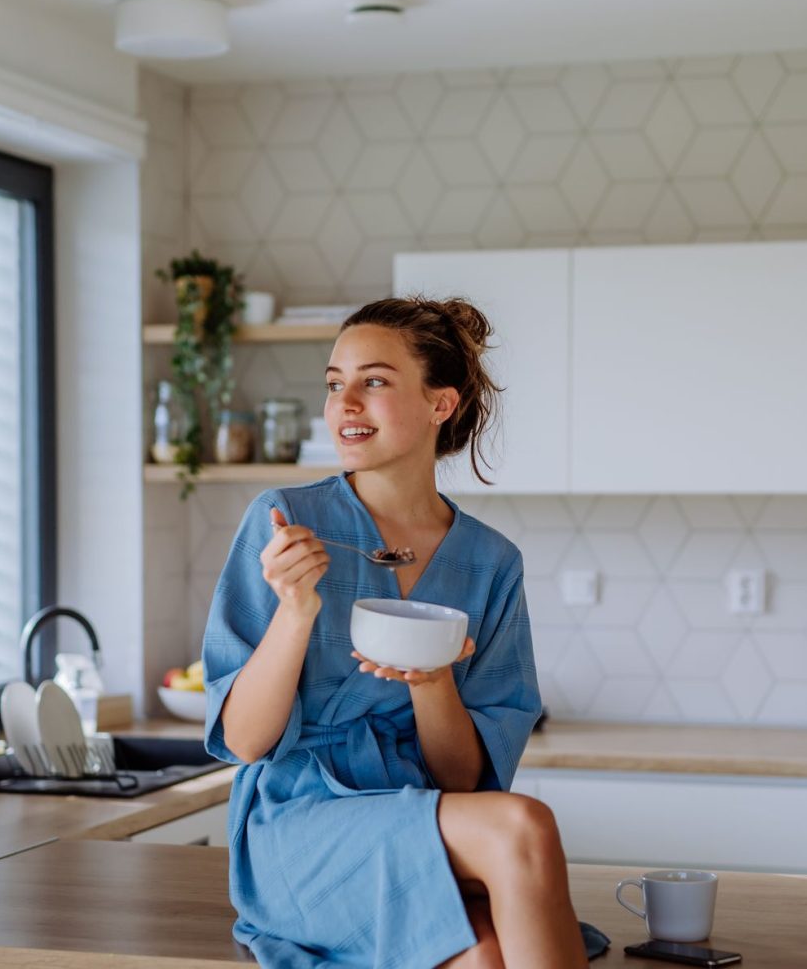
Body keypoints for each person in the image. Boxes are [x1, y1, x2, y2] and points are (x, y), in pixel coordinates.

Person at [203, 297, 600, 968]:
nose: (345, 403)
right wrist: (296, 611)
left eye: (375, 381)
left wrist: (433, 680)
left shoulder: (490, 562)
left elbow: (464, 779)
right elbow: (244, 741)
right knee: (524, 826)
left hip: (426, 808)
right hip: (301, 821)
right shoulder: (283, 521)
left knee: (486, 955)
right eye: (335, 384)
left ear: (440, 405)